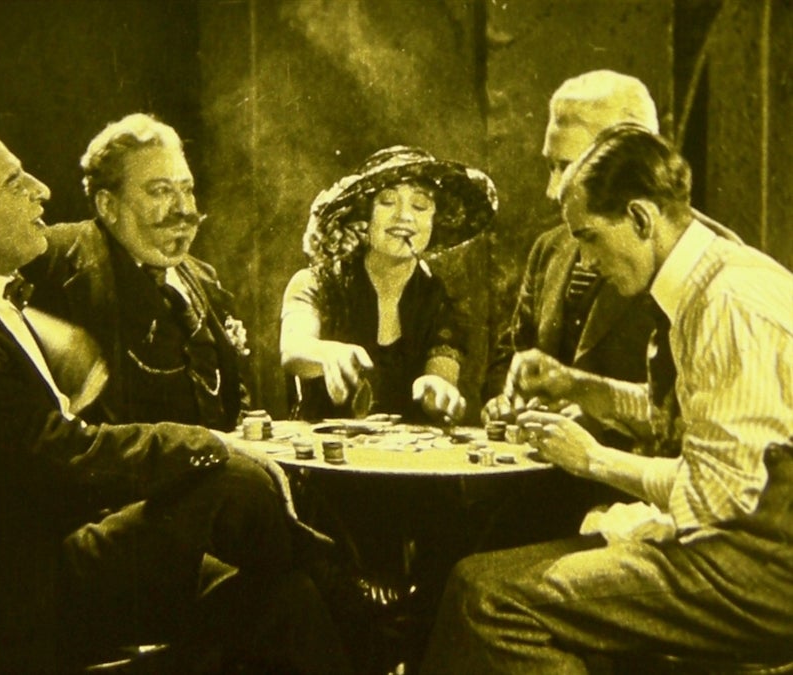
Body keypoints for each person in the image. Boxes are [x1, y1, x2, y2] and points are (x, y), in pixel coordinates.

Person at [0, 123, 349, 674]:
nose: (42, 189)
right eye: (15, 182)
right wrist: (204, 443)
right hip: (18, 590)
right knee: (232, 481)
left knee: (290, 600)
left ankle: (342, 599)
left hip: (68, 543)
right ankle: (354, 592)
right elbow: (50, 452)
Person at [421, 125, 793, 673]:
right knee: (481, 575)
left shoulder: (728, 304)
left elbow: (717, 495)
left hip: (765, 569)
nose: (586, 260)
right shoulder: (710, 279)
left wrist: (592, 459)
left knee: (488, 597)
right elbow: (692, 420)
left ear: (640, 218)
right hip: (748, 543)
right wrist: (579, 386)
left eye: (589, 238)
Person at [23, 113, 249, 431]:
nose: (184, 209)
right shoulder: (54, 257)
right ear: (108, 206)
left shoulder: (203, 278)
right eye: (160, 191)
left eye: (187, 190)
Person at [482, 70, 664, 436]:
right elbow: (512, 355)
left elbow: (685, 412)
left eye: (567, 167)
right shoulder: (549, 248)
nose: (552, 190)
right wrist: (505, 400)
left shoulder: (680, 263)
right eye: (550, 165)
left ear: (629, 162)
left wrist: (596, 414)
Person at [280, 144, 498, 423]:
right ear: (364, 216)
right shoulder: (317, 283)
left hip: (406, 451)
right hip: (322, 448)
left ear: (435, 220)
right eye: (387, 201)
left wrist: (438, 391)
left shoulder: (437, 301)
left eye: (420, 205)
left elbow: (441, 377)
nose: (404, 216)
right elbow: (293, 348)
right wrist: (326, 354)